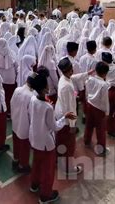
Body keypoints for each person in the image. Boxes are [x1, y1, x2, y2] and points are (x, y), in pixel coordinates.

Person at [29, 71, 77, 203]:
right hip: (46, 142)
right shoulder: (47, 107)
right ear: (45, 88)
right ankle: (45, 195)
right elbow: (54, 126)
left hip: (35, 138)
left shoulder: (33, 99)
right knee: (48, 169)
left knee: (37, 163)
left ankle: (34, 184)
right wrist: (64, 117)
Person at [55, 57, 92, 175]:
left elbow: (74, 78)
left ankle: (59, 159)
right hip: (66, 118)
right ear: (70, 69)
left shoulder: (63, 79)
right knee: (69, 145)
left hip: (60, 113)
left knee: (61, 141)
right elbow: (70, 108)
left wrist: (87, 73)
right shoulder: (67, 86)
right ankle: (68, 168)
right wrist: (72, 125)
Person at [10, 73, 37, 173]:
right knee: (25, 147)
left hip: (16, 121)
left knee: (16, 142)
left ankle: (15, 160)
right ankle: (23, 165)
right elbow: (32, 114)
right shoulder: (31, 96)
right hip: (24, 125)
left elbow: (11, 103)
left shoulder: (18, 89)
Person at [84, 62, 110, 156]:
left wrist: (87, 100)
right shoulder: (104, 85)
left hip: (90, 104)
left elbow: (87, 92)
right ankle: (100, 149)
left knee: (89, 124)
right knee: (100, 129)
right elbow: (104, 101)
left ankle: (86, 141)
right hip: (99, 109)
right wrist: (106, 112)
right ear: (105, 73)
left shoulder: (90, 79)